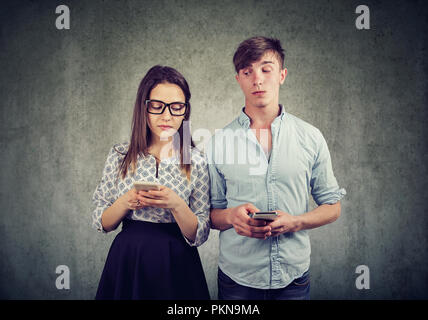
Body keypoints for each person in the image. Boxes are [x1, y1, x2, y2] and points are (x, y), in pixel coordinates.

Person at [207, 36, 346, 300]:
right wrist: (231, 217)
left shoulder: (311, 137)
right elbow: (212, 213)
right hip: (238, 280)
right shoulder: (219, 142)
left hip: (293, 278)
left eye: (265, 69)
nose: (257, 79)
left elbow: (333, 206)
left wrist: (296, 222)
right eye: (247, 72)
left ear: (282, 75)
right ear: (238, 79)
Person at [92, 65, 211, 300]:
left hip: (177, 262)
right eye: (157, 106)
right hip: (128, 260)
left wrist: (176, 205)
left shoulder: (195, 160)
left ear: (185, 111)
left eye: (176, 107)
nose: (167, 116)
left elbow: (201, 232)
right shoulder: (120, 155)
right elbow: (101, 221)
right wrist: (126, 201)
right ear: (143, 108)